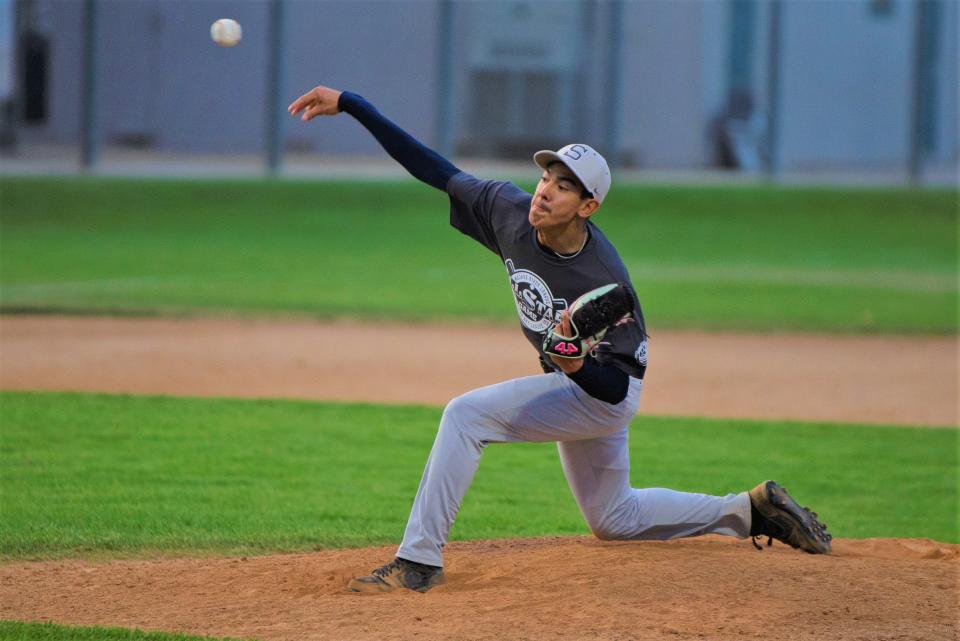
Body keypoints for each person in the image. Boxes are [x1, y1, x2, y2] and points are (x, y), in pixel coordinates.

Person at [287, 85, 832, 594]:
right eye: (548, 175)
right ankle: (752, 511)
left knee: (465, 415)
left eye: (565, 185)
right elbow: (433, 168)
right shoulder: (509, 211)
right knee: (615, 520)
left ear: (588, 206)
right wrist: (354, 105)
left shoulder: (605, 283)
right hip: (573, 382)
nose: (546, 190)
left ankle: (418, 561)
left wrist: (572, 364)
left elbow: (616, 393)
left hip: (601, 393)